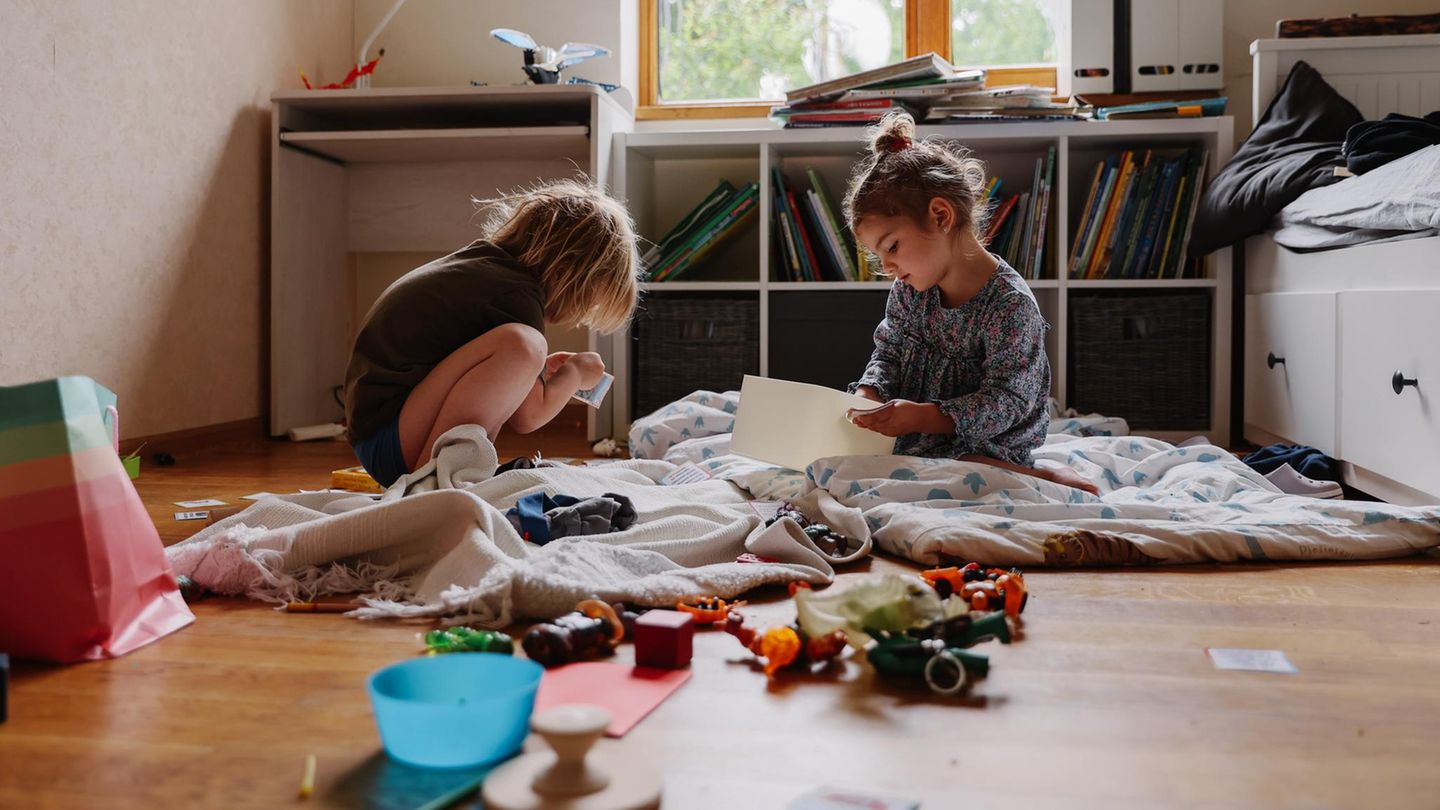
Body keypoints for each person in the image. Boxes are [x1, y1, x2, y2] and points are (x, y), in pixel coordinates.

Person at [842, 112, 1097, 494]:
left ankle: (1042, 477)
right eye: (881, 258)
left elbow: (1008, 401)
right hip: (916, 433)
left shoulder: (1010, 306)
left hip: (987, 443)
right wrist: (870, 395)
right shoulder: (911, 290)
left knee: (964, 466)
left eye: (892, 247)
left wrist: (927, 417)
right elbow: (889, 353)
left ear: (941, 216)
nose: (890, 267)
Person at [343, 178, 641, 487]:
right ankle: (435, 480)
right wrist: (575, 374)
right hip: (391, 439)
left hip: (382, 435)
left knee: (525, 349)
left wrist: (537, 373)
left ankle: (443, 472)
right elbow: (529, 416)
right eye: (585, 301)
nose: (576, 318)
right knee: (524, 346)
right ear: (565, 273)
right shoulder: (516, 295)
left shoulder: (489, 272)